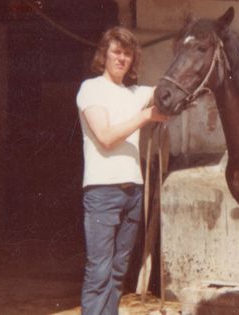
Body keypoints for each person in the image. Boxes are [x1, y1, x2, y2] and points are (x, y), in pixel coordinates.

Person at [76, 26, 167, 315]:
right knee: (99, 271)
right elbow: (105, 136)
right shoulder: (90, 89)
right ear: (103, 55)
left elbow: (166, 92)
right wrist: (145, 116)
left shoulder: (135, 93)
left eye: (128, 54)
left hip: (133, 191)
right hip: (103, 190)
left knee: (118, 271)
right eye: (116, 52)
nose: (122, 58)